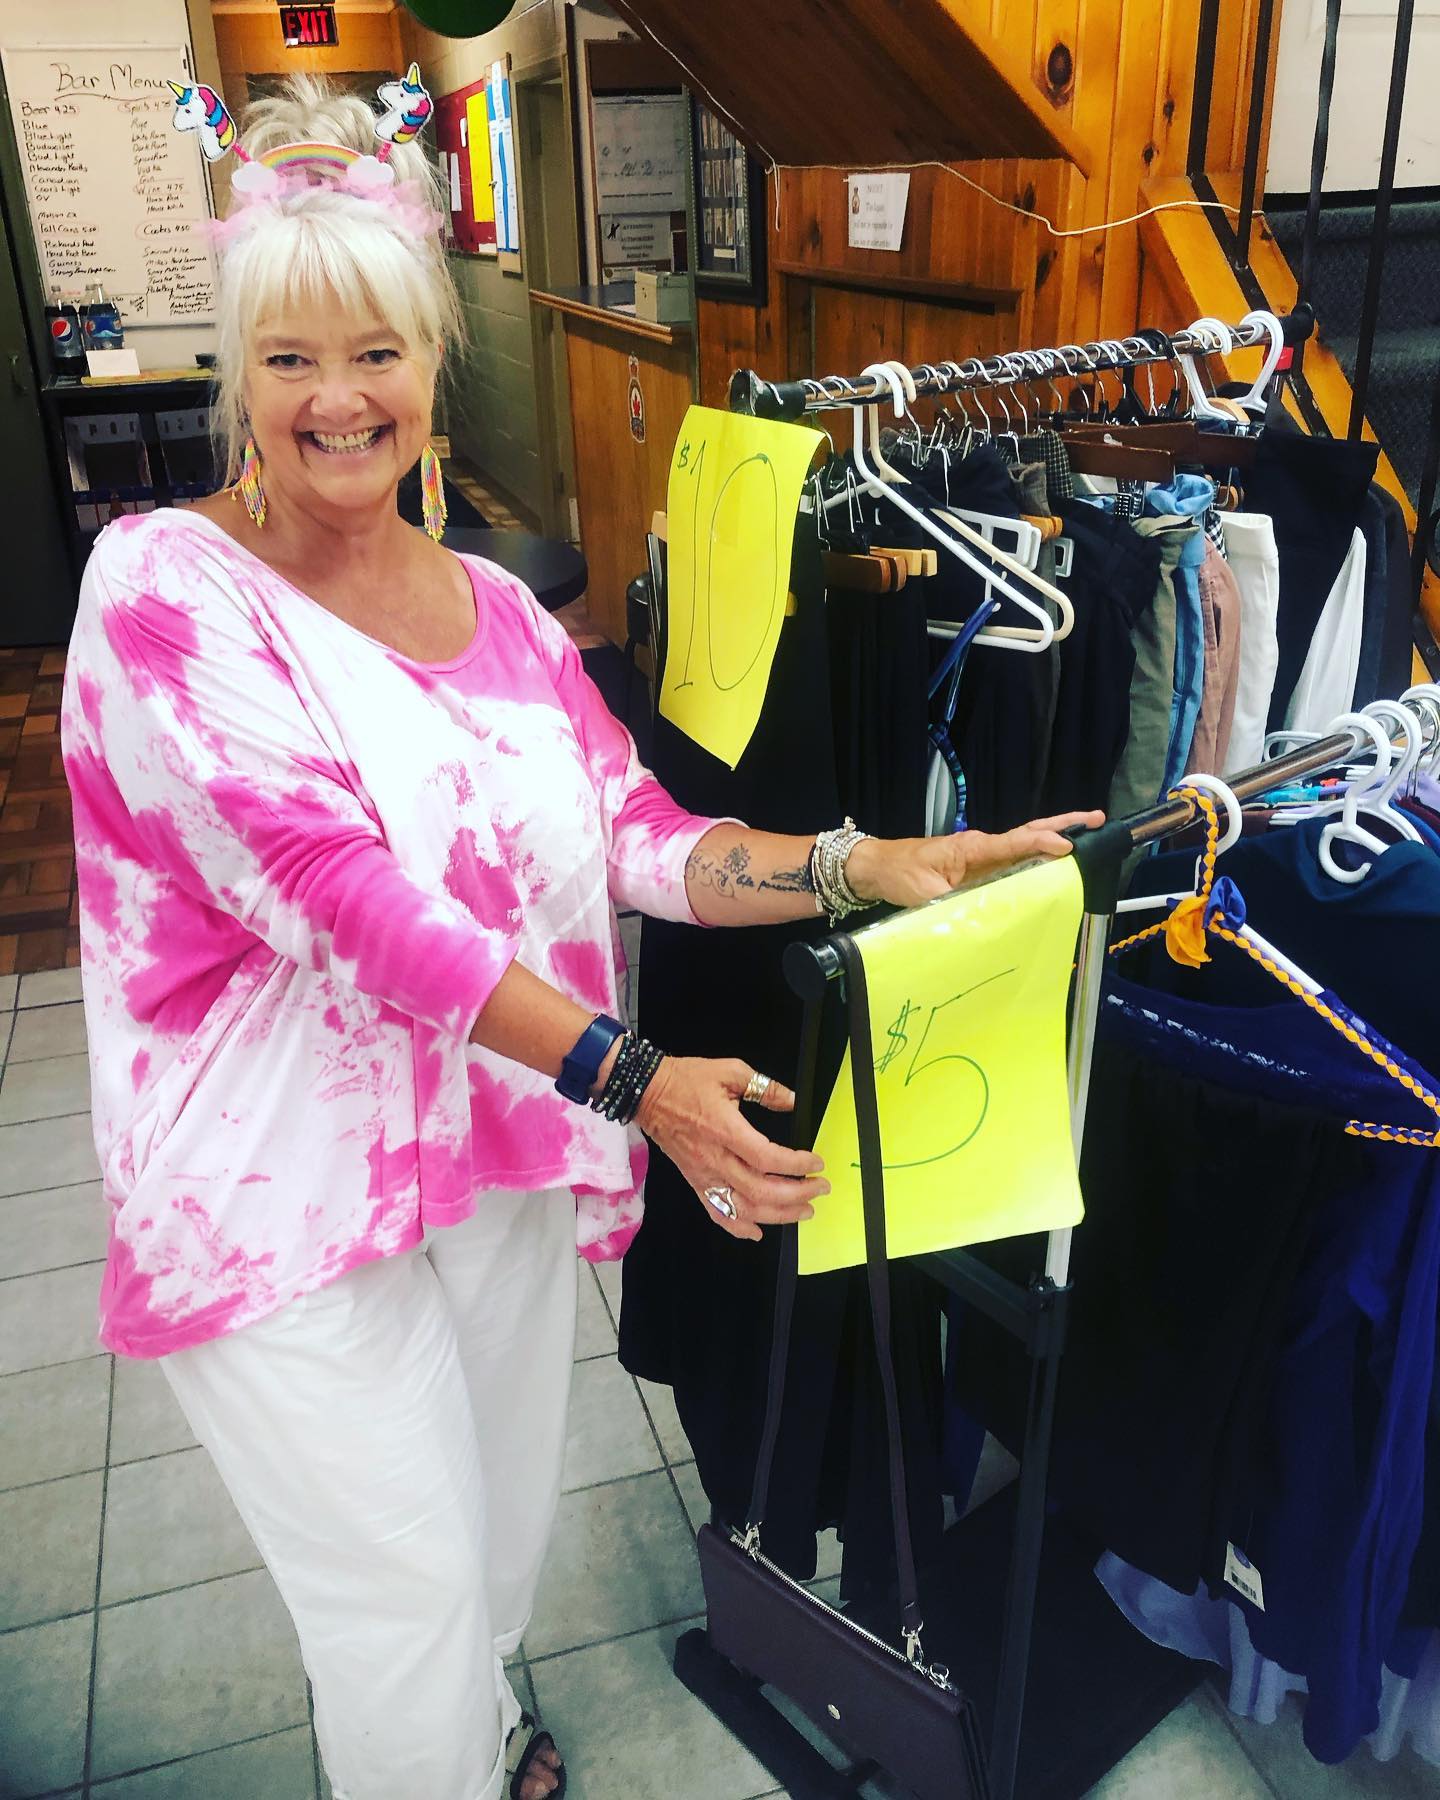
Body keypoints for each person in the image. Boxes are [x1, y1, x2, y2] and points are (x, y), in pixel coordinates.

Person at [59, 72, 1100, 1800]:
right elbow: (336, 893)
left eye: (375, 352)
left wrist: (876, 862)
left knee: (491, 1546)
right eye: (290, 358)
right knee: (397, 1602)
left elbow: (641, 836)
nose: (337, 398)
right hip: (270, 1188)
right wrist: (640, 1078)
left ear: (431, 362)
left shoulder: (498, 611)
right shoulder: (163, 591)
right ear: (236, 372)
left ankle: (479, 1739)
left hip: (486, 1157)